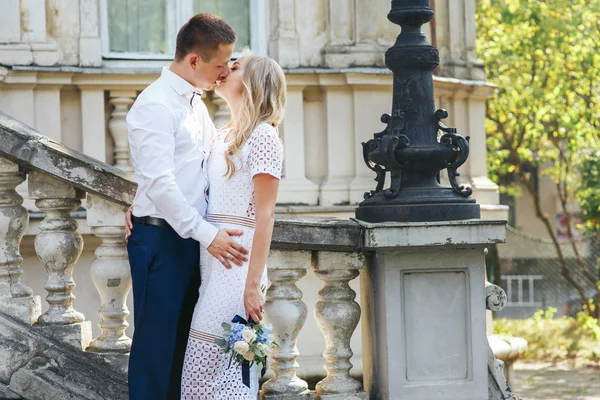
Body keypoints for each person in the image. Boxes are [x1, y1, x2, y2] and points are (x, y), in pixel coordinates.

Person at [125, 14, 250, 400]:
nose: (223, 74)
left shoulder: (196, 104)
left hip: (191, 240)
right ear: (193, 60)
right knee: (155, 352)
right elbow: (161, 183)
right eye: (218, 66)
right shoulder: (155, 106)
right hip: (161, 241)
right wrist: (208, 235)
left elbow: (197, 173)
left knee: (183, 351)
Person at [178, 51, 285, 399]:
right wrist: (141, 203)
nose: (224, 70)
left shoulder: (264, 136)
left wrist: (253, 285)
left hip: (238, 273)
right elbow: (188, 181)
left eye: (235, 67)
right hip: (212, 267)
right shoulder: (221, 134)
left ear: (254, 82)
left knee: (213, 373)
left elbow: (266, 215)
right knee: (203, 378)